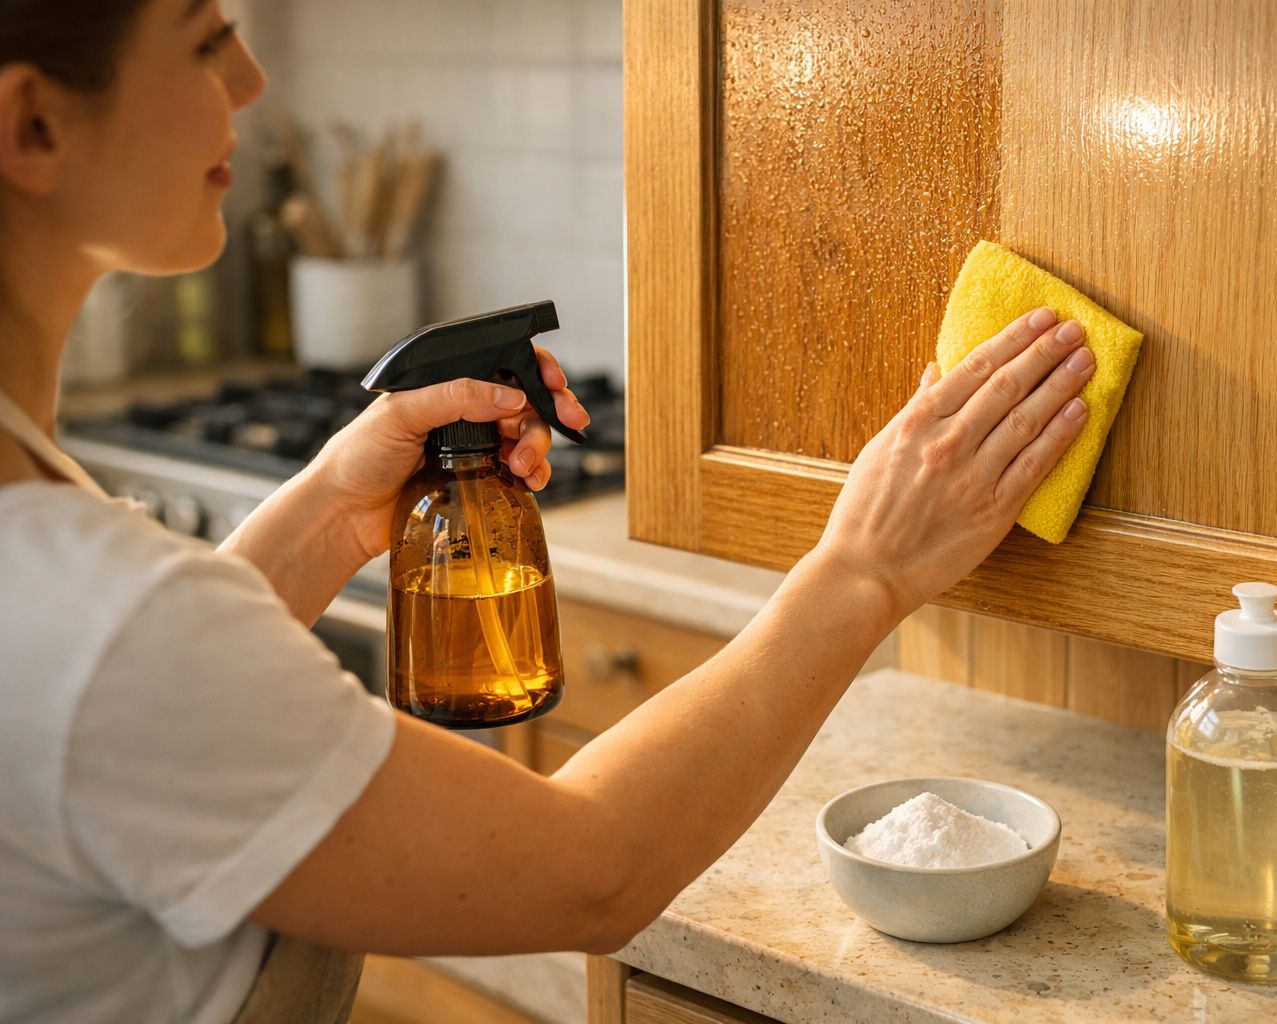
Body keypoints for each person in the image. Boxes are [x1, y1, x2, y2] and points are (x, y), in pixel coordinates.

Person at [0, 2, 1098, 1021]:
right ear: (33, 125)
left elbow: (138, 710)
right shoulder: (91, 621)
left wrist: (337, 508)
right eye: (203, 38)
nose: (248, 78)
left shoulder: (48, 546)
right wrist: (863, 570)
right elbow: (592, 872)